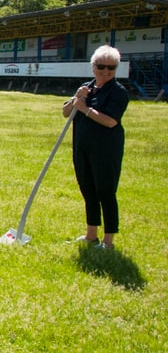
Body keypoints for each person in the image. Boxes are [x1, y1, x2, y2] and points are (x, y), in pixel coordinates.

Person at [63, 45, 129, 249]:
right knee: (88, 190)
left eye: (111, 67)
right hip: (82, 147)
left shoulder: (118, 92)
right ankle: (91, 234)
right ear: (93, 67)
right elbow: (66, 112)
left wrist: (86, 109)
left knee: (105, 191)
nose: (106, 71)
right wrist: (76, 98)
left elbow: (110, 121)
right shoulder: (86, 87)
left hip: (106, 149)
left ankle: (108, 240)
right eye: (102, 66)